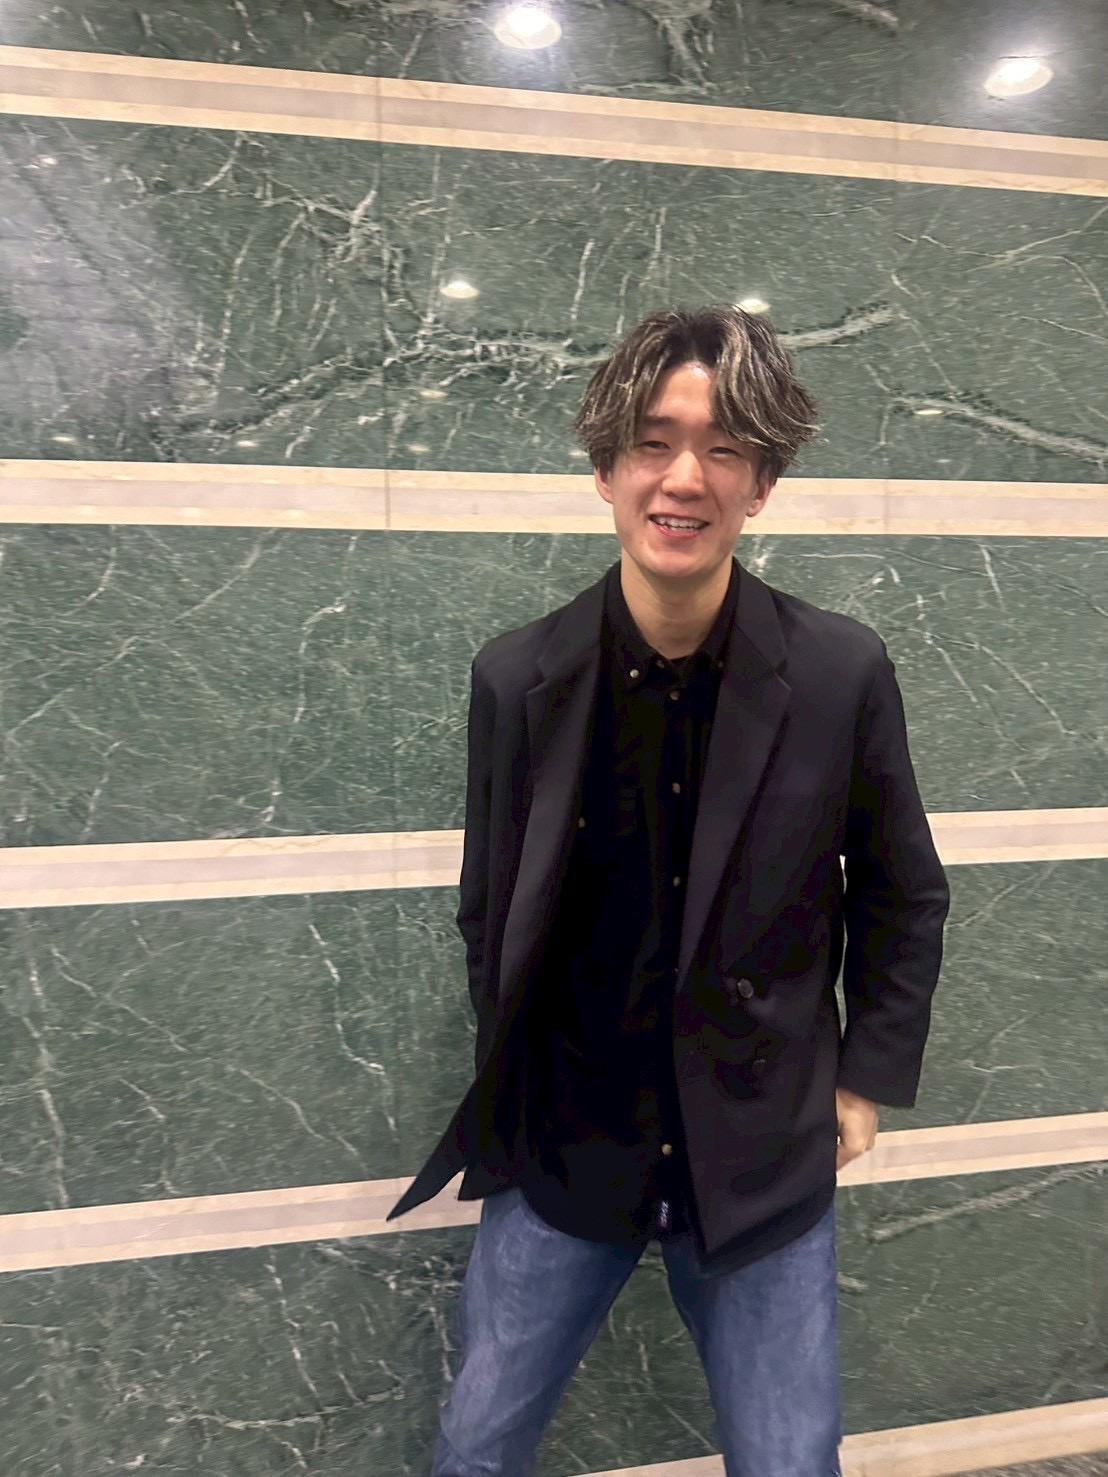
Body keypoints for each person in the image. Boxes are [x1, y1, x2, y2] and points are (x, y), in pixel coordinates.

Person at [389, 304, 950, 1476]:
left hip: (758, 1160)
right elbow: (488, 908)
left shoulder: (840, 672)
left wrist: (864, 1079)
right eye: (652, 442)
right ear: (606, 469)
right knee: (474, 1451)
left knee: (790, 1463)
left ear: (762, 483)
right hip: (565, 1149)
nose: (683, 477)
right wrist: (516, 1076)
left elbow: (904, 893)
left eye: (723, 447)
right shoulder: (516, 677)